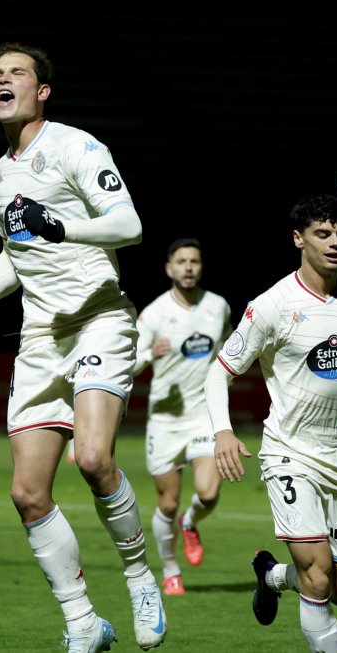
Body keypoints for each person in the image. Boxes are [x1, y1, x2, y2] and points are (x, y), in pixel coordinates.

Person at [0, 42, 164, 652]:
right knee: (27, 493)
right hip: (40, 335)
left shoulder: (75, 146)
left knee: (92, 459)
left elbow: (129, 226)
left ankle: (142, 577)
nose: (1, 80)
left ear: (42, 92)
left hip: (99, 316)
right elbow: (19, 253)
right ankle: (83, 622)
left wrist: (62, 226)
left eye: (15, 73)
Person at [207, 194, 337, 653]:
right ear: (298, 239)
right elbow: (219, 370)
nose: (335, 242)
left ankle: (272, 574)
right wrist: (222, 431)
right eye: (323, 234)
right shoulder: (271, 306)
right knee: (318, 576)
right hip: (289, 455)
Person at [133, 238, 232, 596]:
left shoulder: (218, 307)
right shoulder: (154, 314)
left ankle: (190, 522)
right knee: (168, 502)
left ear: (200, 267)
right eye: (182, 261)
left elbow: (229, 349)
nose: (188, 267)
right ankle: (171, 570)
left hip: (203, 416)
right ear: (169, 269)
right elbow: (128, 360)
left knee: (207, 492)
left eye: (194, 261)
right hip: (165, 420)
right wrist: (148, 355)